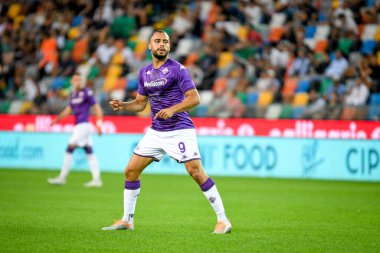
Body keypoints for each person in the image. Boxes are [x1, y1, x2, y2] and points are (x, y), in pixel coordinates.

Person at [102, 30, 232, 234]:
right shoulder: (144, 72)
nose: (161, 44)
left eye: (165, 41)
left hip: (180, 129)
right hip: (156, 131)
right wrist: (124, 105)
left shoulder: (178, 70)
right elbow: (140, 103)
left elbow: (194, 98)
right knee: (131, 170)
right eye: (157, 41)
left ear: (169, 47)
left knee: (196, 172)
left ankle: (223, 221)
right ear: (150, 46)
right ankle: (127, 220)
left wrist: (171, 110)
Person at [48, 72, 103, 187]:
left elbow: (97, 108)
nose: (77, 81)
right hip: (79, 126)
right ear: (72, 82)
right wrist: (56, 119)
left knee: (69, 148)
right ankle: (97, 179)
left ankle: (62, 177)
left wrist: (99, 124)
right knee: (89, 151)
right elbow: (68, 110)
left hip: (83, 125)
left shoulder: (86, 92)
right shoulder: (73, 95)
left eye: (79, 79)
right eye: (75, 80)